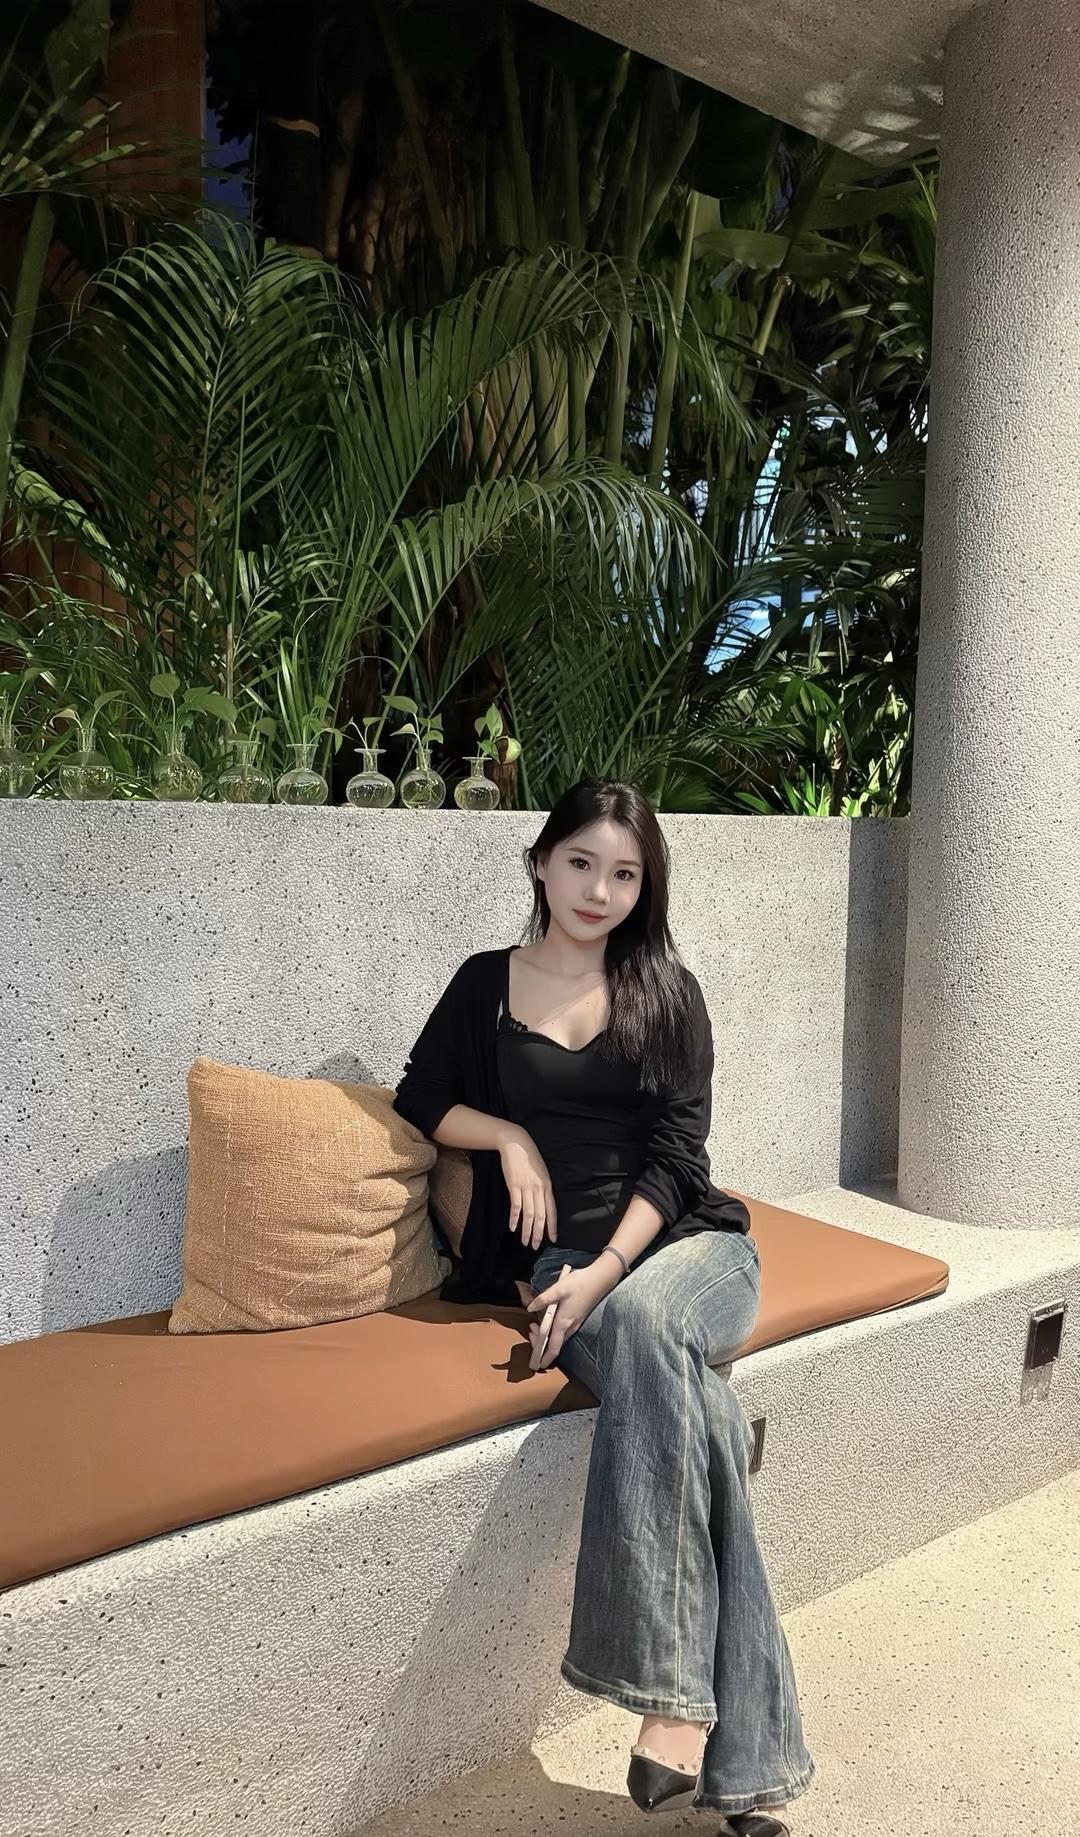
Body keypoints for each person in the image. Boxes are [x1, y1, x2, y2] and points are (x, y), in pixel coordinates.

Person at [392, 778, 815, 1830]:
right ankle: (750, 1769)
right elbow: (420, 1095)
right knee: (704, 1420)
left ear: (644, 888)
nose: (599, 889)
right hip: (556, 1270)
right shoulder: (484, 983)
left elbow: (678, 1159)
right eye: (581, 862)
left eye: (625, 874)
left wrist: (607, 1273)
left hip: (686, 1252)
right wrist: (508, 1136)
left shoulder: (667, 991)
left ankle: (667, 1695)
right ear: (541, 862)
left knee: (652, 1322)